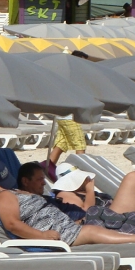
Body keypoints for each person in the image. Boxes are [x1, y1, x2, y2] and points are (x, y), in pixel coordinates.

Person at [41, 50, 92, 181]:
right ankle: (83, 174)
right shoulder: (73, 78)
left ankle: (45, 171)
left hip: (62, 116)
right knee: (80, 145)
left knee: (60, 145)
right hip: (69, 117)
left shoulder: (64, 75)